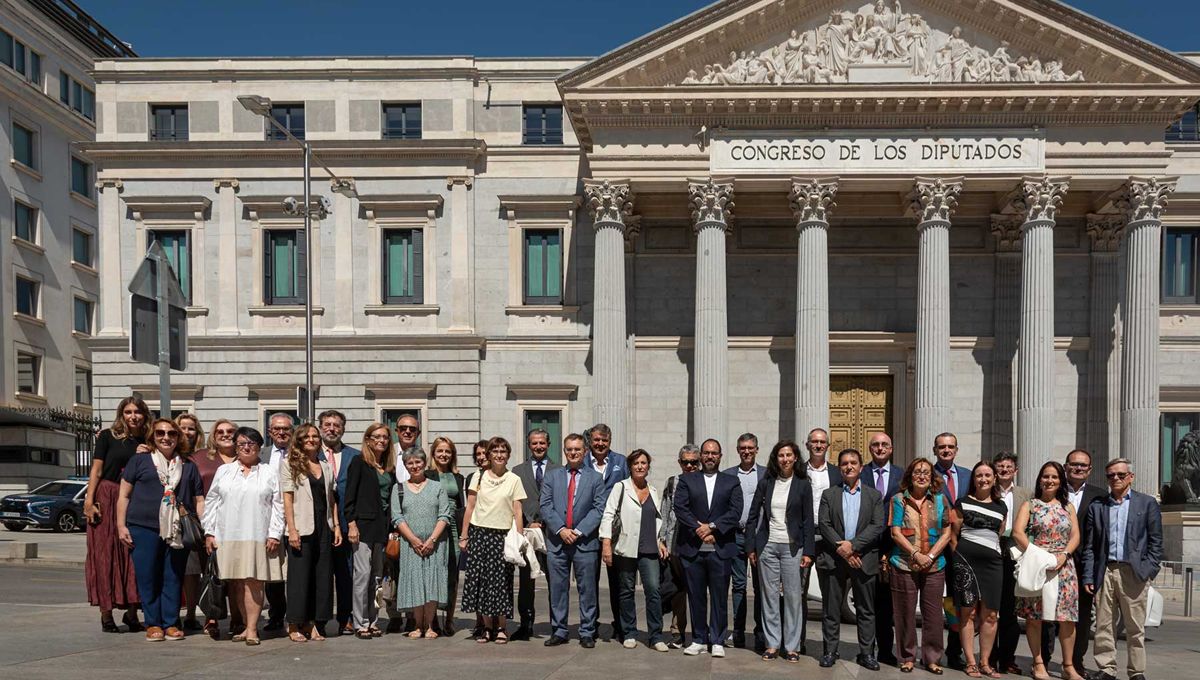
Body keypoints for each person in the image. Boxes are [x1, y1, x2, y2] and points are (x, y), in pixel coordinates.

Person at [116, 417, 204, 641]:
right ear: (153, 437)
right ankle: (153, 623)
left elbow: (199, 500)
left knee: (173, 576)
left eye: (171, 434)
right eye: (160, 433)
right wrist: (120, 525)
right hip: (143, 527)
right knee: (147, 576)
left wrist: (206, 528)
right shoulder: (140, 461)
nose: (166, 437)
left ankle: (171, 622)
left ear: (178, 437)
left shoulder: (188, 466)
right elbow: (124, 495)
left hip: (177, 529)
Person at [201, 426, 285, 646]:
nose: (247, 447)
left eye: (252, 443)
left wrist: (275, 533)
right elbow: (211, 502)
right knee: (237, 582)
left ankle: (251, 629)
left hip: (258, 533)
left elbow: (279, 505)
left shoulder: (268, 472)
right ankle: (244, 625)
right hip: (227, 533)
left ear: (259, 446)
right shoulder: (224, 471)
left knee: (254, 582)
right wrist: (209, 531)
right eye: (242, 444)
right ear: (236, 447)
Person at [1082, 459, 1162, 680]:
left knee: (1135, 627)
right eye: (1110, 476)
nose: (1115, 479)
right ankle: (1106, 669)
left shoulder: (1146, 504)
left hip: (1133, 572)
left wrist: (1148, 571)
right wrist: (1089, 575)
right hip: (1105, 571)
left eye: (1120, 475)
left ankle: (1136, 672)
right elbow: (1090, 546)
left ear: (1130, 477)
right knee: (1104, 625)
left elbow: (1156, 542)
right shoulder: (1098, 506)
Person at [83, 396, 150, 633]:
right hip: (107, 495)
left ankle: (132, 614)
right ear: (122, 414)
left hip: (134, 500)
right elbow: (97, 469)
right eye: (128, 412)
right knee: (105, 555)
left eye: (137, 412)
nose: (133, 416)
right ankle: (106, 614)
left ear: (144, 415)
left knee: (132, 555)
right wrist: (89, 500)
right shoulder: (107, 437)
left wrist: (146, 452)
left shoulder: (148, 440)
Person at [817, 448, 886, 671]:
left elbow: (877, 525)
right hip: (834, 559)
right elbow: (824, 524)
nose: (849, 467)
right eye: (844, 463)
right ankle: (830, 650)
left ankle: (866, 653)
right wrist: (844, 550)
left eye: (853, 463)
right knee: (831, 609)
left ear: (861, 467)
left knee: (866, 610)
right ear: (839, 468)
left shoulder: (873, 495)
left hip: (864, 559)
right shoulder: (829, 494)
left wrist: (853, 547)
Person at [1013, 462, 1083, 680]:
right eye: (1045, 476)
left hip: (1064, 567)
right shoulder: (1030, 505)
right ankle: (1038, 663)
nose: (1049, 480)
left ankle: (1068, 666)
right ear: (1039, 479)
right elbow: (1017, 533)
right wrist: (1039, 555)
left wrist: (1063, 555)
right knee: (1035, 617)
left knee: (1067, 618)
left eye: (1054, 477)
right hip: (1038, 564)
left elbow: (1075, 536)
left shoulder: (1068, 506)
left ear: (1061, 480)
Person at [745, 439, 814, 662]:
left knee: (793, 596)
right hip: (768, 546)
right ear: (776, 459)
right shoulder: (766, 482)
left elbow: (807, 519)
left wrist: (808, 552)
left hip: (793, 547)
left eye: (788, 455)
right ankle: (772, 643)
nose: (785, 459)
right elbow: (753, 516)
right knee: (769, 596)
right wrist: (751, 547)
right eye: (781, 455)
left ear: (795, 458)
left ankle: (792, 646)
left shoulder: (803, 484)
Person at [674, 438, 743, 658]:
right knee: (696, 596)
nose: (710, 456)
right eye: (706, 453)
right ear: (701, 456)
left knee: (720, 596)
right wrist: (699, 529)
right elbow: (680, 508)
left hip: (720, 549)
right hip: (693, 548)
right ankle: (698, 639)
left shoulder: (731, 481)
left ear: (720, 456)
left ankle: (718, 639)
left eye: (714, 453)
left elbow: (735, 511)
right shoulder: (688, 480)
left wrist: (713, 528)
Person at [1043, 449, 1105, 673]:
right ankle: (1044, 658)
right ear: (1066, 466)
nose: (1078, 468)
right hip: (1053, 561)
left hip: (1084, 565)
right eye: (1074, 464)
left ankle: (1076, 662)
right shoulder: (1052, 491)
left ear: (1089, 470)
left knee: (1080, 616)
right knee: (1047, 613)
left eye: (1083, 465)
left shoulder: (1100, 495)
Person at [601, 448, 669, 652]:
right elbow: (608, 515)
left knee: (654, 591)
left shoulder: (654, 491)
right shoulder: (620, 487)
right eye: (636, 463)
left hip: (649, 549)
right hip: (625, 548)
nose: (640, 466)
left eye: (643, 463)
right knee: (626, 592)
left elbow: (658, 520)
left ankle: (656, 636)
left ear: (648, 467)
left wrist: (660, 541)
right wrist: (606, 544)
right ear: (630, 467)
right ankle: (629, 632)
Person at [460, 436, 526, 644]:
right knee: (483, 583)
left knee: (502, 583)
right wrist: (464, 536)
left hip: (502, 536)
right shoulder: (478, 477)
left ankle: (502, 627)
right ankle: (487, 627)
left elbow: (517, 511)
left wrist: (519, 538)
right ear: (488, 455)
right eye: (495, 451)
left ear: (508, 455)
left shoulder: (514, 479)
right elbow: (469, 508)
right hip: (480, 534)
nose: (499, 455)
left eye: (503, 451)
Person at [889, 457, 952, 674]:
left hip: (935, 565)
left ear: (932, 477)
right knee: (905, 613)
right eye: (917, 472)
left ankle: (932, 658)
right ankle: (907, 656)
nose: (922, 476)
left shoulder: (941, 500)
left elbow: (947, 533)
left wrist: (931, 555)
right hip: (904, 563)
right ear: (910, 476)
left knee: (933, 614)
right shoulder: (898, 500)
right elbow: (895, 532)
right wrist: (915, 553)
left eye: (926, 472)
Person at [542, 433, 606, 648]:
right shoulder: (552, 476)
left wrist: (578, 531)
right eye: (569, 449)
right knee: (558, 589)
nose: (573, 453)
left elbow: (599, 509)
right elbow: (545, 506)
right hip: (557, 542)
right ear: (564, 451)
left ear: (585, 451)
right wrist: (561, 529)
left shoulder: (595, 478)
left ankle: (587, 631)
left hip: (584, 542)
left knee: (587, 589)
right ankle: (559, 630)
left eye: (577, 449)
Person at [281, 423, 341, 642]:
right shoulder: (290, 463)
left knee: (322, 576)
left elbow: (331, 498)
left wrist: (335, 525)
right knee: (299, 577)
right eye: (307, 436)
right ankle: (295, 623)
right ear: (299, 439)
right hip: (302, 526)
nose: (312, 439)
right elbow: (287, 498)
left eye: (315, 436)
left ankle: (315, 623)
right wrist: (292, 529)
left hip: (323, 525)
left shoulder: (324, 466)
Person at [951, 461, 1007, 679]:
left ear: (994, 478)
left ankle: (985, 662)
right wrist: (960, 558)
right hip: (965, 561)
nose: (983, 479)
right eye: (979, 475)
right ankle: (971, 662)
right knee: (968, 612)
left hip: (993, 564)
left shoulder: (1001, 506)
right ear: (973, 479)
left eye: (987, 475)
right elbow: (954, 535)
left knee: (991, 614)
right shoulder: (962, 503)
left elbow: (999, 534)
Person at [392, 446, 451, 638]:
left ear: (424, 463)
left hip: (435, 544)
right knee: (415, 582)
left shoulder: (437, 487)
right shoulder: (398, 488)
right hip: (411, 545)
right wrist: (414, 540)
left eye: (418, 462)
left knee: (432, 582)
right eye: (410, 463)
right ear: (405, 465)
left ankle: (431, 626)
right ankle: (418, 625)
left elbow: (444, 514)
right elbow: (397, 517)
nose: (415, 466)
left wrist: (432, 539)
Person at [344, 422, 396, 639]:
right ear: (368, 439)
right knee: (362, 576)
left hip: (381, 530)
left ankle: (374, 619)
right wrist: (351, 523)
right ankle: (360, 622)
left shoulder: (388, 468)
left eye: (385, 437)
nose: (381, 440)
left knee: (377, 579)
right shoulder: (359, 462)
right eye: (377, 437)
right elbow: (350, 497)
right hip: (363, 527)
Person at [192, 418, 240, 638]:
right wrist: (206, 526)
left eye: (230, 431)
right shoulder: (201, 458)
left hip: (239, 524)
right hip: (209, 522)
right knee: (212, 573)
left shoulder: (246, 456)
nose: (225, 434)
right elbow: (196, 493)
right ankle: (211, 617)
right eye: (219, 431)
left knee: (236, 574)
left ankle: (238, 618)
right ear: (213, 435)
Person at [511, 428, 560, 640]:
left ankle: (557, 624)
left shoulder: (559, 470)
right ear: (528, 445)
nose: (538, 446)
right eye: (534, 443)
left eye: (542, 443)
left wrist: (545, 522)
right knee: (526, 582)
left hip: (551, 535)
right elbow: (516, 502)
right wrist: (530, 523)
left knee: (555, 581)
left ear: (548, 444)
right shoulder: (517, 470)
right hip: (527, 533)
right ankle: (526, 623)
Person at [584, 423, 629, 641]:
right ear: (590, 442)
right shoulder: (581, 461)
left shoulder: (621, 461)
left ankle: (621, 625)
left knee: (618, 582)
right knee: (589, 581)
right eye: (596, 440)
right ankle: (590, 626)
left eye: (604, 440)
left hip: (617, 530)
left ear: (609, 442)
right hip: (589, 529)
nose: (600, 444)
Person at [318, 409, 360, 636]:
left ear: (343, 429)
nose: (332, 428)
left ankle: (347, 618)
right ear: (320, 427)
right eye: (327, 424)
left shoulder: (355, 455)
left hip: (346, 524)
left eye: (336, 425)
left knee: (347, 574)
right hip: (320, 525)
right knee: (322, 575)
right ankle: (320, 620)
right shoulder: (311, 454)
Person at [932, 432, 972, 669]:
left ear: (956, 450)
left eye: (950, 447)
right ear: (935, 450)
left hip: (964, 546)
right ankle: (932, 649)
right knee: (936, 600)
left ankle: (955, 650)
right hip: (936, 545)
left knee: (959, 600)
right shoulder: (927, 474)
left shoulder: (968, 475)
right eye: (941, 447)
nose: (946, 450)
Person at [990, 452, 1032, 674]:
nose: (1004, 470)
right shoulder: (987, 491)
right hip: (991, 556)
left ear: (1015, 470)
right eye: (1000, 466)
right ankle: (989, 657)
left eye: (1008, 467)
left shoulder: (1026, 494)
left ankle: (1007, 658)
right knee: (989, 611)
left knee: (1009, 612)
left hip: (1015, 558)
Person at [723, 433, 765, 650]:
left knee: (760, 587)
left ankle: (760, 633)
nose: (746, 451)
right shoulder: (728, 475)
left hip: (759, 539)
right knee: (738, 585)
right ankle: (738, 632)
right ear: (738, 450)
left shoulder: (767, 474)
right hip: (735, 536)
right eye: (742, 448)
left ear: (757, 449)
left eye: (750, 447)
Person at [863, 432, 903, 665]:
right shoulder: (862, 473)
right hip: (867, 546)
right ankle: (866, 650)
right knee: (867, 604)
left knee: (888, 605)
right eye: (876, 445)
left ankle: (886, 651)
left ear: (891, 448)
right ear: (870, 449)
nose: (880, 448)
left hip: (894, 545)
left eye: (884, 445)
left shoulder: (901, 474)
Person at [801, 427, 841, 638]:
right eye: (814, 442)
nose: (818, 445)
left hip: (828, 539)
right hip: (803, 538)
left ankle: (829, 646)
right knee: (798, 592)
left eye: (822, 442)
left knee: (830, 594)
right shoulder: (798, 471)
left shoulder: (836, 474)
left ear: (827, 446)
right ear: (807, 445)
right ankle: (797, 642)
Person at [659, 444, 701, 648]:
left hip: (698, 543)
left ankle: (700, 633)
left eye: (694, 462)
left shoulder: (706, 480)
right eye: (686, 462)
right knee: (678, 589)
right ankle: (677, 631)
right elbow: (665, 511)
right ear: (680, 462)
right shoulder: (672, 482)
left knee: (698, 589)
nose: (690, 466)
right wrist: (662, 539)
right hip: (675, 542)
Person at [383, 413, 418, 632]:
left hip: (415, 521)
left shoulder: (423, 455)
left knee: (412, 570)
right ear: (396, 430)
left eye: (412, 429)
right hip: (390, 521)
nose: (407, 431)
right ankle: (394, 614)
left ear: (417, 433)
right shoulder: (386, 454)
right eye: (403, 428)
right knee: (391, 568)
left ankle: (413, 614)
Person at [427, 436, 465, 635]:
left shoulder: (458, 477)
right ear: (433, 453)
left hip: (452, 528)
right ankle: (432, 619)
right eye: (440, 451)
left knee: (452, 574)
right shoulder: (427, 474)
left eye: (447, 451)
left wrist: (463, 534)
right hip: (432, 527)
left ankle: (449, 618)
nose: (444, 455)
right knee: (434, 573)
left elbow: (461, 506)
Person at [261, 413, 294, 631]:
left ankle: (295, 615)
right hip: (268, 520)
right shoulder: (260, 454)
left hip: (295, 520)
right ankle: (275, 614)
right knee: (272, 574)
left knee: (294, 573)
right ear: (270, 432)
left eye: (285, 429)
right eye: (276, 429)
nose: (281, 433)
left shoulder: (300, 453)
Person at [176, 414, 208, 632]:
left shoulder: (202, 456)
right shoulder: (169, 453)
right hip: (170, 516)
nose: (187, 432)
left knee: (192, 570)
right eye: (183, 428)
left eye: (191, 429)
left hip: (194, 520)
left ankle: (190, 614)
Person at [462, 439, 491, 639]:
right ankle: (480, 621)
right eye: (478, 454)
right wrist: (465, 535)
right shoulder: (472, 477)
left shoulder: (503, 476)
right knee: (477, 580)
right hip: (476, 532)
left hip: (496, 533)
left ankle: (496, 623)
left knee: (494, 581)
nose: (481, 457)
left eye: (484, 453)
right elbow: (469, 508)